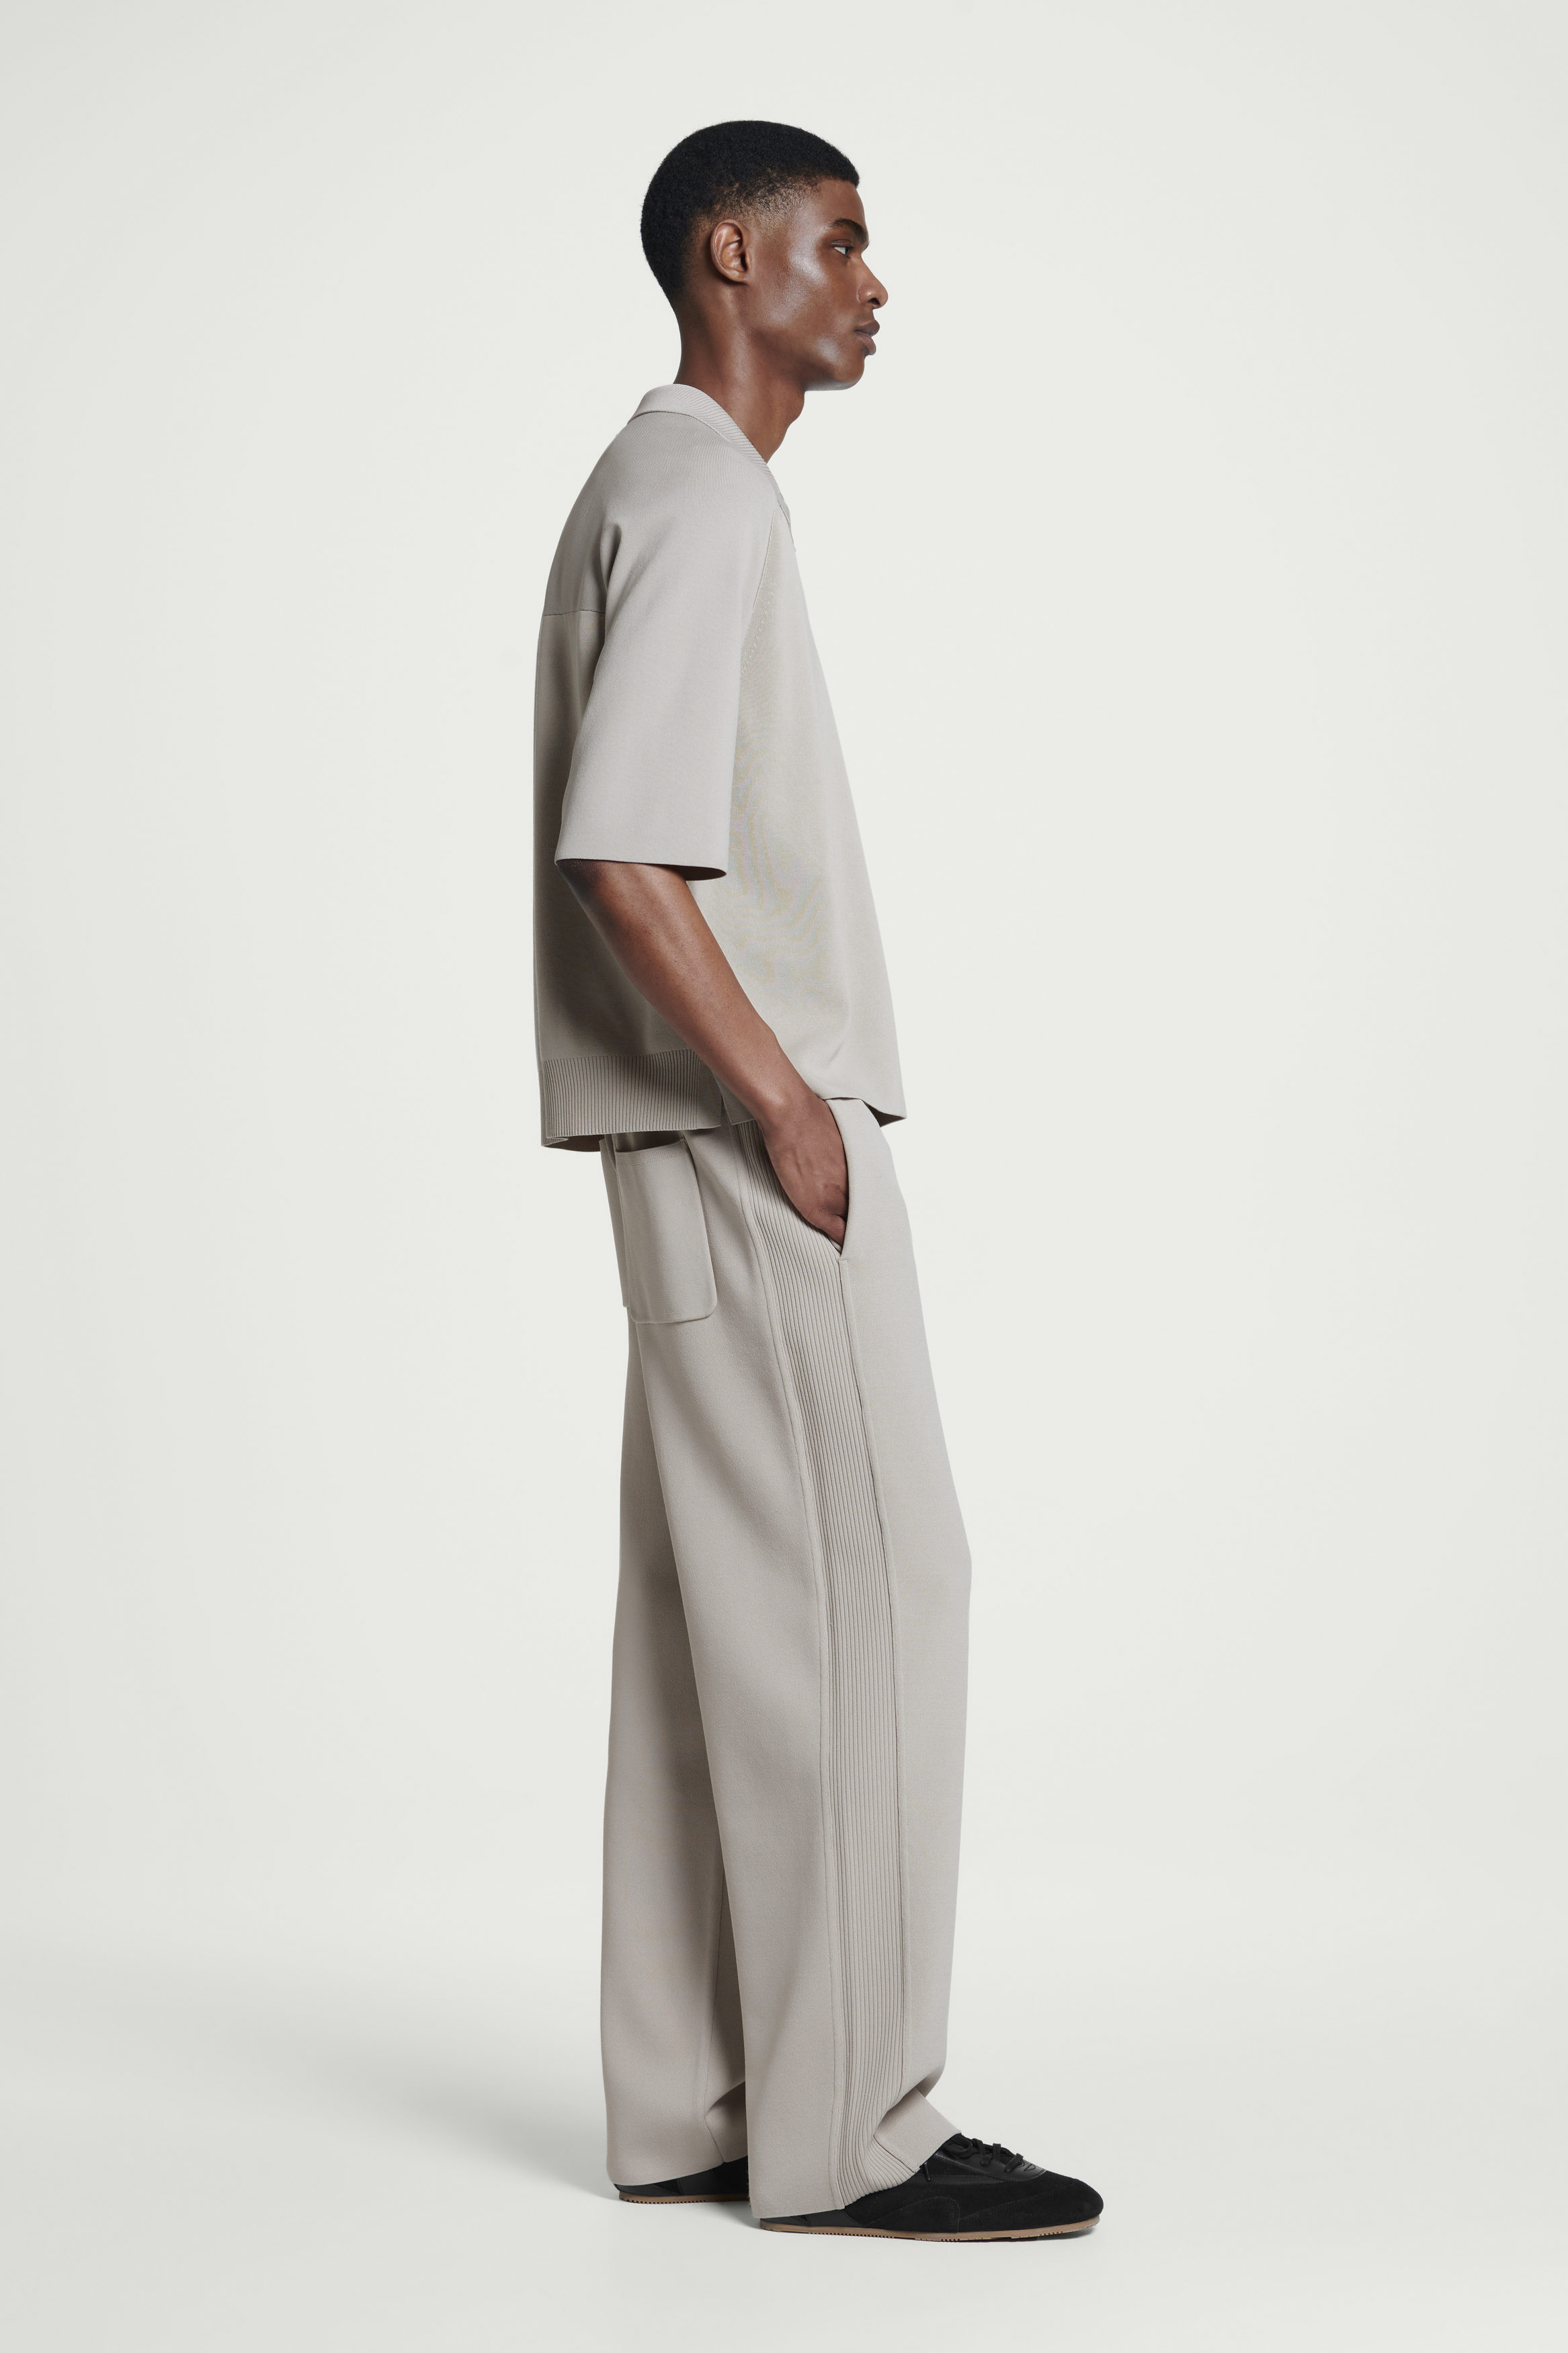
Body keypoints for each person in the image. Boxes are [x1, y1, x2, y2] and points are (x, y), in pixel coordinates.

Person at [532, 119, 1103, 2243]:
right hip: (742, 1135)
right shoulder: (705, 494)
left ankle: (695, 2100)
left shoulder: (652, 482)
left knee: (722, 1624)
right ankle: (855, 2125)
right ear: (728, 253)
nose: (872, 285)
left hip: (674, 1142)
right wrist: (787, 1102)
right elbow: (623, 852)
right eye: (840, 242)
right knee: (877, 1603)